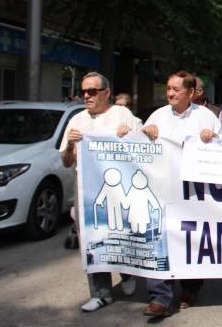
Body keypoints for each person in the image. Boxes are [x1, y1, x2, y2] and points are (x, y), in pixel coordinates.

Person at [140, 70, 222, 318]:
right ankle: (160, 299)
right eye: (168, 88)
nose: (171, 93)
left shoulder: (206, 117)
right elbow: (140, 149)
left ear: (191, 92)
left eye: (176, 89)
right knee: (159, 239)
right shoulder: (157, 116)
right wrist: (145, 133)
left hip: (194, 193)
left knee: (189, 239)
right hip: (161, 190)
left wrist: (213, 138)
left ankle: (190, 289)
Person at [59, 72, 140, 312]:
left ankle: (127, 273)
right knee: (92, 238)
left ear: (106, 93)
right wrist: (71, 146)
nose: (86, 96)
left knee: (123, 232)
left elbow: (144, 144)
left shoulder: (121, 114)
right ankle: (100, 293)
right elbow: (65, 160)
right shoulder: (76, 120)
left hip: (120, 185)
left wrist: (131, 133)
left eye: (92, 91)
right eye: (84, 91)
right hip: (87, 187)